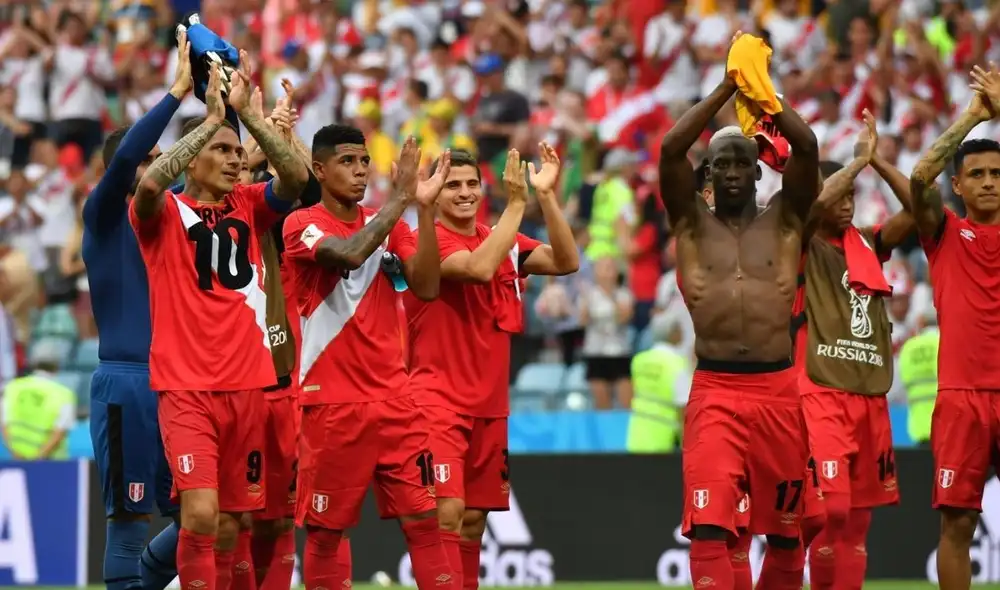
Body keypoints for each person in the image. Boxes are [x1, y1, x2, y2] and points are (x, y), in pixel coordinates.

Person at [129, 53, 310, 590]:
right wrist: (208, 120)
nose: (236, 161)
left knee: (233, 522)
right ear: (193, 159)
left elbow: (296, 179)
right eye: (222, 151)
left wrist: (245, 116)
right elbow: (147, 187)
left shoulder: (251, 204)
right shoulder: (164, 214)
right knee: (202, 515)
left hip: (248, 384)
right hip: (187, 387)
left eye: (238, 152)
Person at [659, 38, 820, 590]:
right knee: (708, 529)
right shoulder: (689, 226)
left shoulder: (788, 221)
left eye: (741, 162)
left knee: (784, 535)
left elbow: (809, 148)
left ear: (757, 172)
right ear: (709, 173)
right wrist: (729, 88)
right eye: (721, 162)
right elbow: (669, 149)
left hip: (778, 393)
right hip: (715, 393)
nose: (731, 170)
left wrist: (765, 96)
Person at [282, 128, 454, 589]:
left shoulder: (391, 220)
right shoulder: (301, 224)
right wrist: (400, 199)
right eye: (347, 162)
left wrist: (423, 207)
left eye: (363, 161)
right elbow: (350, 253)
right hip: (333, 403)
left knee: (425, 521)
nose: (360, 171)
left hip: (396, 399)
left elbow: (428, 287)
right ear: (320, 170)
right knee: (326, 531)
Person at [405, 144, 579, 590]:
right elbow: (480, 268)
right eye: (452, 186)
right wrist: (517, 205)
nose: (464, 194)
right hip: (436, 400)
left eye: (471, 184)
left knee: (473, 521)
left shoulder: (500, 237)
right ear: (434, 193)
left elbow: (566, 260)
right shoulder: (427, 239)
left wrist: (545, 196)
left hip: (490, 404)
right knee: (445, 511)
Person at [83, 29, 194, 590]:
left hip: (180, 386)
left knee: (203, 518)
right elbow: (129, 154)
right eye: (150, 159)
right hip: (127, 385)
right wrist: (177, 93)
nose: (159, 166)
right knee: (129, 528)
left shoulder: (173, 221)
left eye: (162, 158)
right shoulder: (104, 216)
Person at [792, 111, 915, 589]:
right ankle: (791, 556)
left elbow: (921, 212)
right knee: (831, 511)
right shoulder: (798, 243)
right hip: (821, 391)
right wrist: (850, 169)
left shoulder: (867, 243)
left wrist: (876, 163)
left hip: (869, 396)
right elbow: (808, 208)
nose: (846, 204)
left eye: (851, 197)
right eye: (838, 196)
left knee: (858, 527)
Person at [909, 65, 1000, 590]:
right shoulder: (944, 233)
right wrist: (973, 115)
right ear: (960, 185)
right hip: (961, 398)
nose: (989, 181)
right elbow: (921, 177)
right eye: (978, 174)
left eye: (997, 173)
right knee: (957, 523)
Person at [0, 341, 76, 460]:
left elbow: (4, 425)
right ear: (57, 365)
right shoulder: (64, 394)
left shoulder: (12, 387)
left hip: (18, 462)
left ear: (33, 362)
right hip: (53, 467)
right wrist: (38, 459)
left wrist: (16, 455)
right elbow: (59, 433)